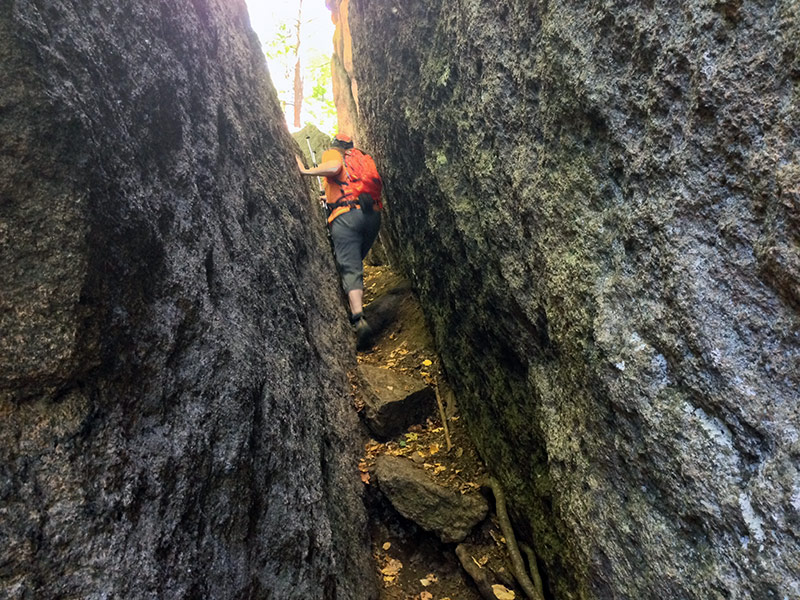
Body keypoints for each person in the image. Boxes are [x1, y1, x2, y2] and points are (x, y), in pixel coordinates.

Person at [296, 133, 382, 349]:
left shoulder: (334, 154)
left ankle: (358, 319)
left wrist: (305, 172)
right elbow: (350, 186)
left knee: (349, 267)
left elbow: (333, 168)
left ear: (336, 145)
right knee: (355, 259)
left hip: (346, 218)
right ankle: (354, 292)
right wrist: (329, 197)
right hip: (372, 216)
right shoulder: (361, 158)